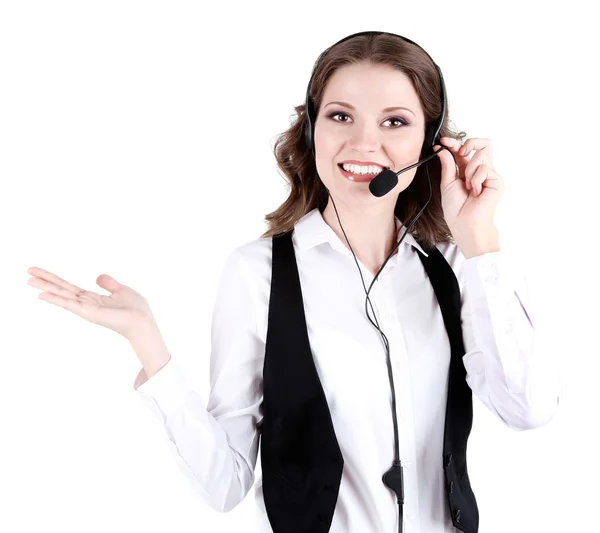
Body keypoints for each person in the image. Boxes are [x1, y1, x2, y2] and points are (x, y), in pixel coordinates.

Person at [26, 31, 561, 533]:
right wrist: (149, 345)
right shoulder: (258, 273)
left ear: (431, 142)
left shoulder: (458, 265)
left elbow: (528, 411)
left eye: (395, 122)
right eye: (340, 116)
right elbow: (225, 483)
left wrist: (480, 239)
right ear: (312, 129)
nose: (363, 142)